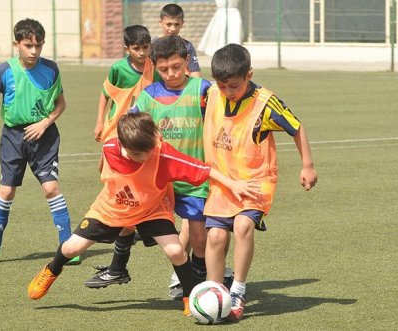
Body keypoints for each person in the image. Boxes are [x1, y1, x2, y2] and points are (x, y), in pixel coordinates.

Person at [27, 112, 258, 317]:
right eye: (138, 153)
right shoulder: (109, 148)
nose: (145, 157)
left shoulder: (163, 156)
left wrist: (233, 185)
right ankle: (51, 270)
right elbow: (106, 169)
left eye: (148, 150)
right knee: (70, 248)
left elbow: (204, 169)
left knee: (176, 251)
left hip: (152, 211)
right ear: (122, 144)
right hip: (111, 209)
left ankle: (190, 297)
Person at [83, 35, 233, 299]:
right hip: (154, 180)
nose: (171, 73)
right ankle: (119, 267)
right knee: (127, 219)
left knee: (198, 239)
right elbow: (128, 128)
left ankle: (196, 288)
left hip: (191, 178)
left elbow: (225, 116)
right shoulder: (149, 95)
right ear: (154, 65)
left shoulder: (202, 90)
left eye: (176, 67)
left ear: (187, 61)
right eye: (163, 69)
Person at [203, 44, 318, 321]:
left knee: (242, 226)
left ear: (249, 74)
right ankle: (214, 293)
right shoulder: (210, 93)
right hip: (221, 180)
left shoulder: (266, 102)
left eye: (234, 85)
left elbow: (296, 126)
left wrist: (307, 165)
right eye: (222, 85)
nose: (227, 91)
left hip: (255, 181)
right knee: (216, 236)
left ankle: (238, 291)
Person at [0, 18, 78, 265]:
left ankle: (68, 247)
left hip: (45, 137)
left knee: (51, 188)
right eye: (28, 45)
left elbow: (61, 103)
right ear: (17, 44)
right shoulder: (4, 71)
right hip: (13, 137)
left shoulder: (51, 69)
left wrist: (44, 123)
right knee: (7, 190)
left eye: (38, 45)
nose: (34, 51)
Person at [94, 25, 159, 142]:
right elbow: (105, 94)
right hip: (117, 126)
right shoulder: (119, 69)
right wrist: (99, 122)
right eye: (136, 48)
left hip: (142, 126)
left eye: (145, 47)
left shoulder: (155, 68)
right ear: (127, 49)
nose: (142, 52)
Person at [157, 3, 201, 77]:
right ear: (160, 23)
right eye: (168, 24)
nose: (173, 29)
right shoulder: (151, 46)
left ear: (182, 24)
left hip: (182, 87)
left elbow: (195, 73)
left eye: (177, 24)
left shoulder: (187, 46)